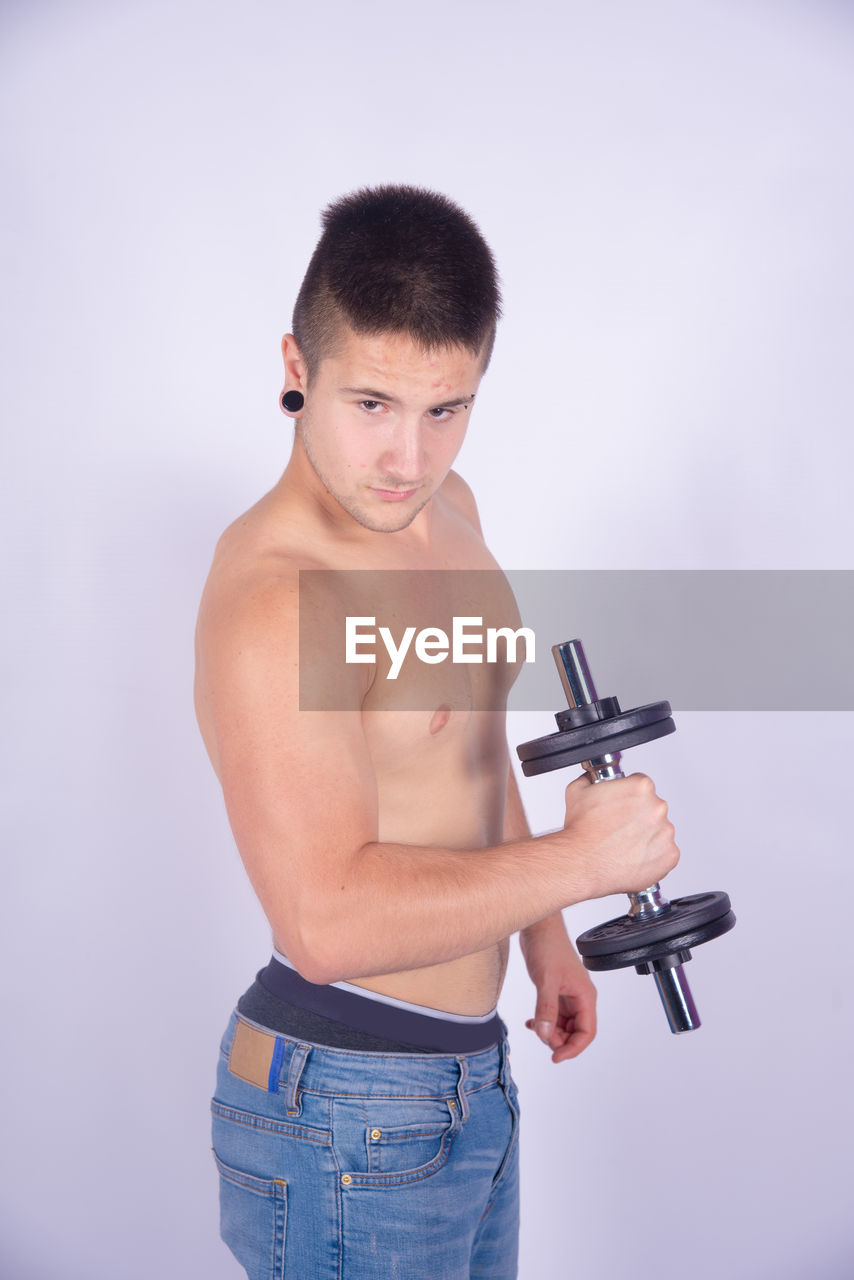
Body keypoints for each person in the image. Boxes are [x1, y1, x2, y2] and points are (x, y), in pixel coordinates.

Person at [194, 184, 679, 1279]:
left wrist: (545, 930)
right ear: (295, 366)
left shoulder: (445, 508)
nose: (407, 458)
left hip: (464, 1075)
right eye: (370, 403)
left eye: (444, 407)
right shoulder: (280, 598)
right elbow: (322, 918)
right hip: (342, 1101)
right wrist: (579, 857)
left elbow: (467, 744)